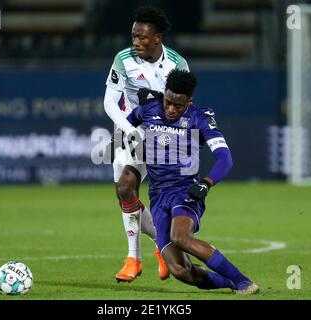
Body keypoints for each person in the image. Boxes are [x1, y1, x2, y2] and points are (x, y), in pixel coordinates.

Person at [125, 69, 260, 295]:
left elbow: (225, 158)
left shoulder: (200, 117)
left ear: (189, 102)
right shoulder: (148, 110)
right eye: (168, 102)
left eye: (178, 105)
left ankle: (244, 282)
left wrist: (206, 183)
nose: (170, 109)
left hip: (185, 191)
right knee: (180, 270)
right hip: (157, 197)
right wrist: (120, 149)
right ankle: (230, 283)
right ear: (164, 95)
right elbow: (125, 124)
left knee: (181, 237)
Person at [103, 5, 190, 282]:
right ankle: (137, 257)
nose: (136, 42)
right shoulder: (123, 59)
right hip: (129, 131)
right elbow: (108, 101)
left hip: (164, 136)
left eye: (142, 37)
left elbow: (186, 105)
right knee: (125, 190)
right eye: (133, 36)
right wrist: (128, 128)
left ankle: (150, 251)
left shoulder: (178, 63)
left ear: (157, 38)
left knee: (156, 199)